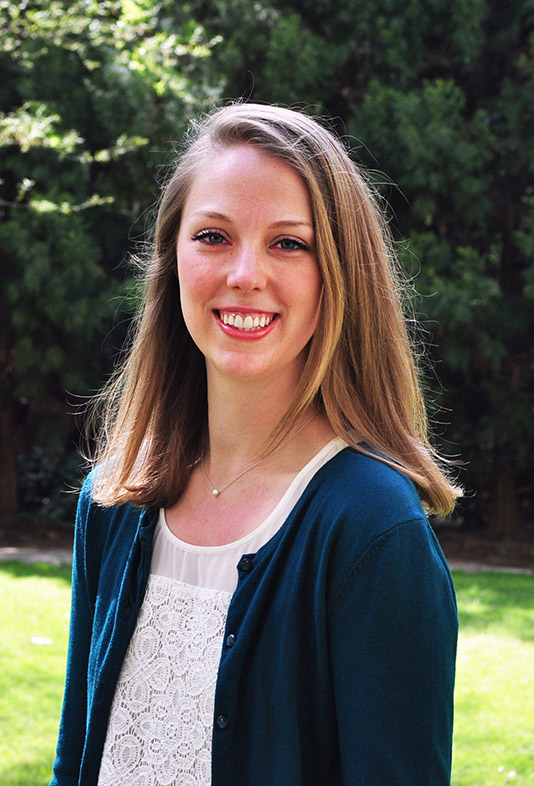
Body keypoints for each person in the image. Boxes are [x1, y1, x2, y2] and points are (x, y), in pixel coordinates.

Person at [50, 103, 459, 786]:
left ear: (340, 274)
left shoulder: (372, 531)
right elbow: (76, 761)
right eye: (213, 235)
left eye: (288, 243)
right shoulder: (114, 497)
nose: (244, 273)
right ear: (172, 256)